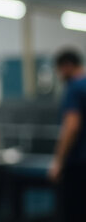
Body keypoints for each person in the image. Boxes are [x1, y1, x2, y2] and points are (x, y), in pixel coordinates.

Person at [49, 48, 86, 221]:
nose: (59, 75)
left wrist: (58, 161)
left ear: (67, 66)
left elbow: (71, 126)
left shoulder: (74, 88)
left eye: (59, 70)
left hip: (78, 164)